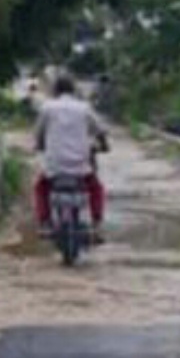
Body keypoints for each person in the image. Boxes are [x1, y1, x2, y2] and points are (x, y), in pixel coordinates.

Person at [34, 75, 109, 238]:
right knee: (96, 188)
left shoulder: (47, 108)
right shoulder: (84, 108)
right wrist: (104, 144)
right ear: (73, 90)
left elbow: (39, 134)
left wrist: (40, 146)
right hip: (80, 165)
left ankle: (45, 222)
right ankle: (97, 224)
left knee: (41, 188)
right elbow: (100, 130)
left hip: (54, 165)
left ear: (55, 90)